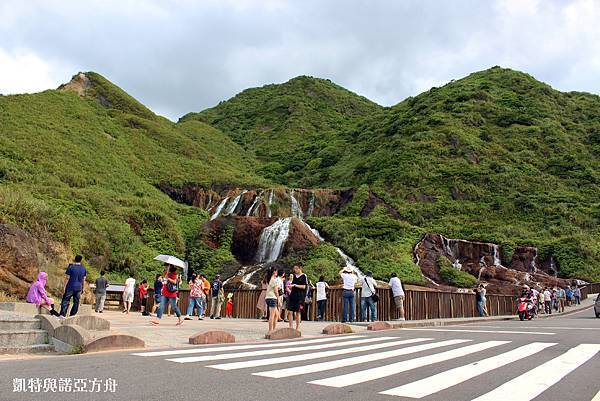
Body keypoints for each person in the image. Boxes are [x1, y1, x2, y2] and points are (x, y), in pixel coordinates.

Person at [287, 265, 308, 331]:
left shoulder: (304, 276)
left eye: (296, 268)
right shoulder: (294, 276)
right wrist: (291, 287)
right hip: (292, 296)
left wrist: (295, 285)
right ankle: (290, 327)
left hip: (299, 297)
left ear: (300, 268)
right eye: (294, 268)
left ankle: (297, 327)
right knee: (290, 312)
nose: (295, 270)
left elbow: (304, 286)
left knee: (297, 312)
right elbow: (292, 285)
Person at [265, 268, 281, 333]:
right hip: (272, 298)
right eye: (276, 271)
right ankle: (270, 331)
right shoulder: (273, 280)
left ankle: (273, 329)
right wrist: (279, 300)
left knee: (276, 315)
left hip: (268, 298)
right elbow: (276, 291)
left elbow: (274, 288)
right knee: (272, 315)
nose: (277, 273)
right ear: (274, 272)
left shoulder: (270, 280)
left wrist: (277, 287)